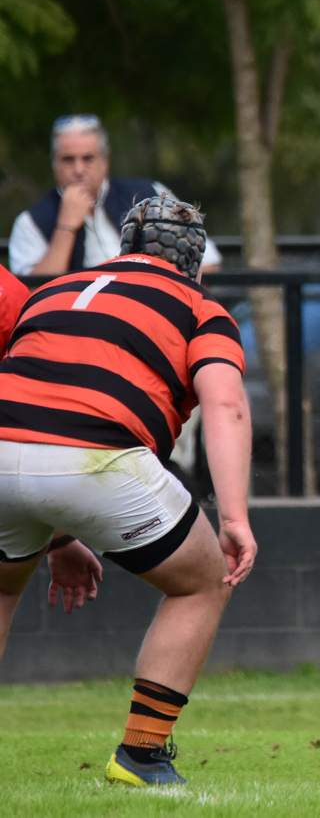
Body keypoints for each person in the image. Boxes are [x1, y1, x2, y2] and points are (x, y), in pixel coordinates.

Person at [0, 195, 257, 787]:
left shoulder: (55, 289)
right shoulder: (200, 308)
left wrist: (58, 536)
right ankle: (142, 754)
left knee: (2, 586)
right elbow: (225, 404)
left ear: (125, 245)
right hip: (97, 454)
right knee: (202, 581)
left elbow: (35, 401)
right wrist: (235, 517)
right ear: (193, 260)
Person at [8, 114, 221, 277]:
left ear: (105, 161)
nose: (79, 169)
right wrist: (66, 226)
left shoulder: (150, 193)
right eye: (68, 160)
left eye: (88, 158)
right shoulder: (30, 223)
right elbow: (33, 296)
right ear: (54, 164)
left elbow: (208, 262)